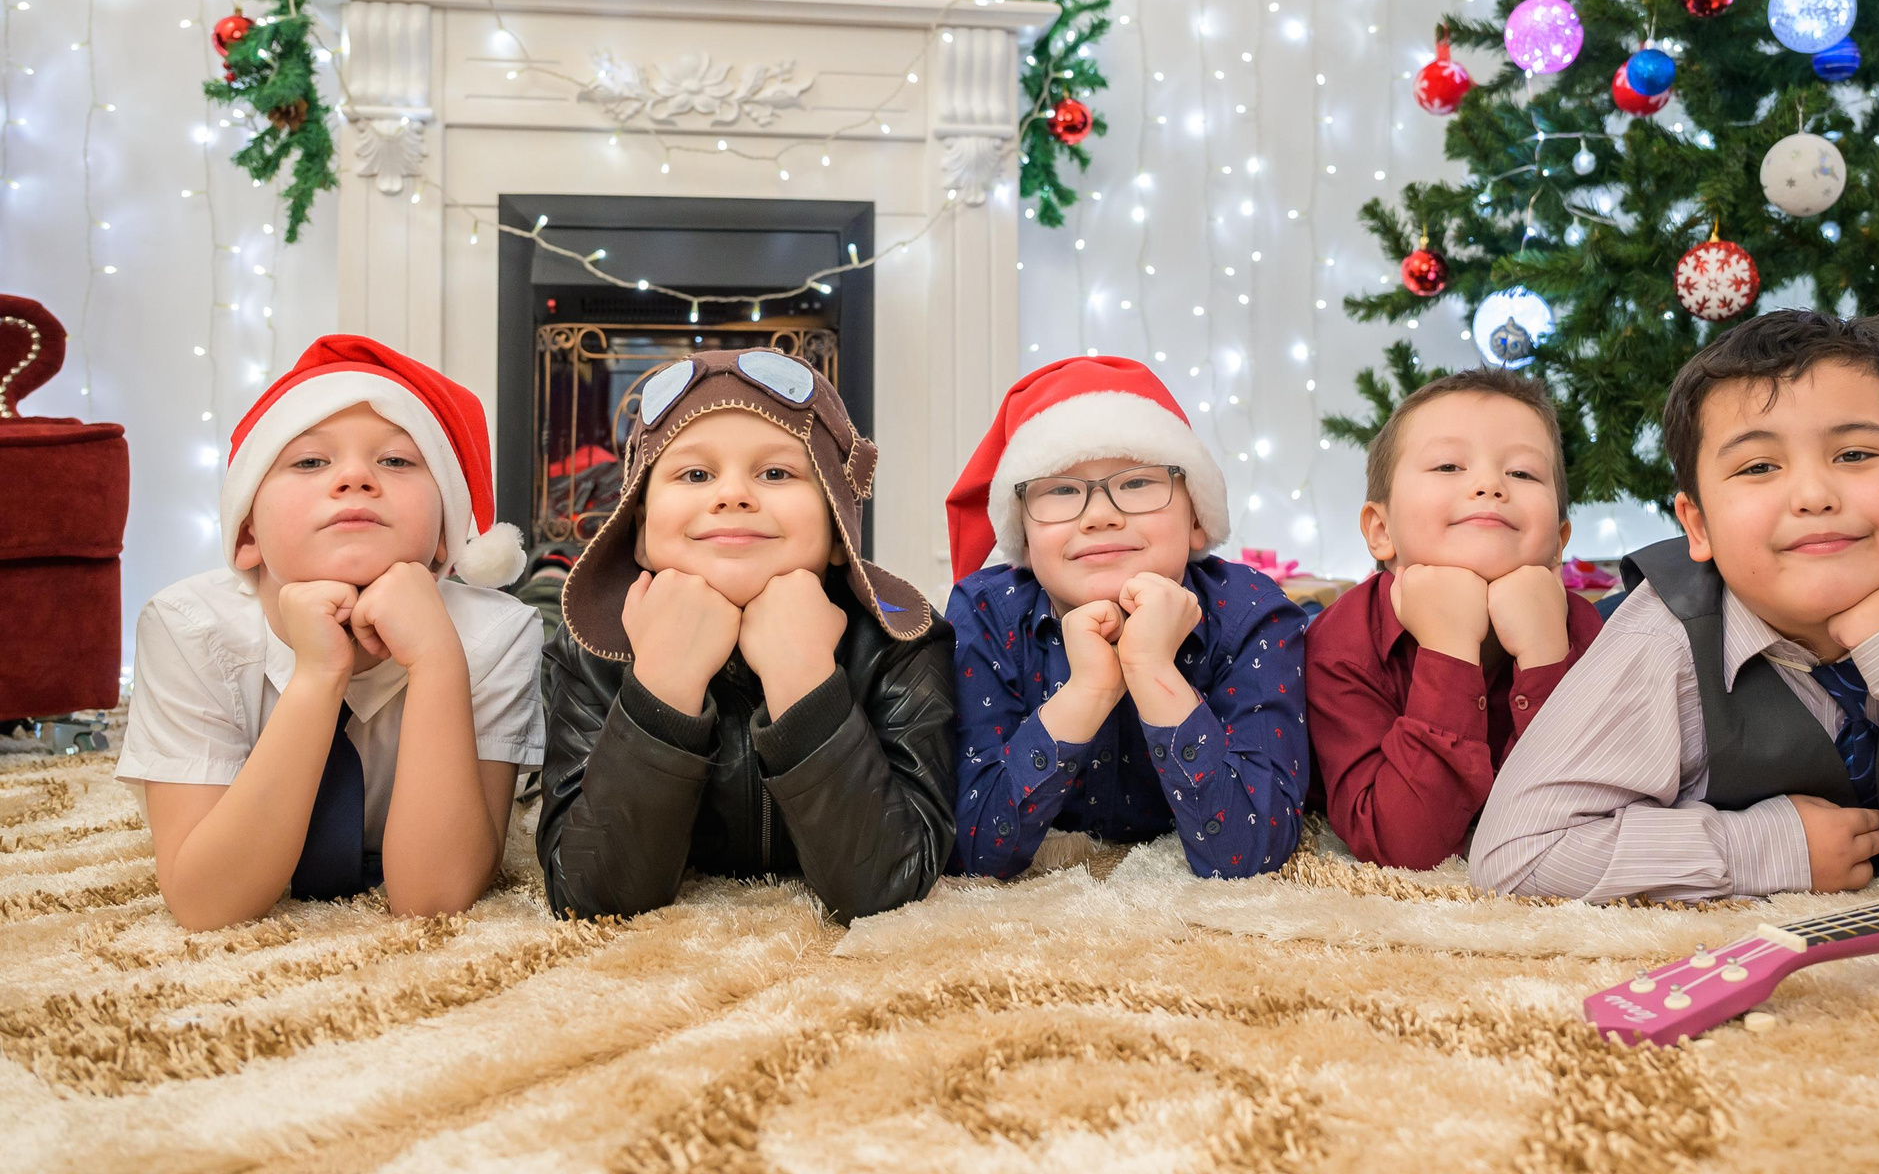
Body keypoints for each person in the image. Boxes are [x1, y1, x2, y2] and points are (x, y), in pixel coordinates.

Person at [1469, 311, 1879, 902]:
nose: (1813, 495)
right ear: (1698, 526)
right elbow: (1516, 850)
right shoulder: (1660, 637)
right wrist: (1759, 847)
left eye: (1855, 455)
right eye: (1759, 466)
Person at [119, 336, 542, 930]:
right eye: (309, 462)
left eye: (395, 461)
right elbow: (205, 902)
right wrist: (318, 677)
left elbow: (435, 897)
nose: (354, 477)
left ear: (446, 537)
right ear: (246, 536)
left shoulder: (497, 632)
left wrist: (437, 660)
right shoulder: (187, 626)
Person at [538, 348, 955, 923]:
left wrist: (805, 679)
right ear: (638, 530)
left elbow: (889, 886)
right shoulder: (591, 648)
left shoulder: (898, 642)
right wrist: (662, 683)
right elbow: (593, 897)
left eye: (776, 473)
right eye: (695, 474)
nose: (732, 496)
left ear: (838, 525)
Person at [942, 356, 1307, 879]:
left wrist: (1152, 667)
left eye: (1137, 484)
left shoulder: (1253, 615)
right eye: (1061, 490)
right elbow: (971, 851)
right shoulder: (983, 615)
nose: (1100, 515)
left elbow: (1250, 853)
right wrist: (1087, 691)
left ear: (1197, 519)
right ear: (1021, 536)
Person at [1305, 368, 1603, 870]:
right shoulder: (1339, 642)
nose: (1489, 485)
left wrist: (1544, 655)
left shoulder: (1582, 630)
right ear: (1381, 530)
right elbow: (1403, 847)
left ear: (1560, 539)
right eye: (1448, 466)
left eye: (1523, 473)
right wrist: (1449, 647)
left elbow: (1583, 823)